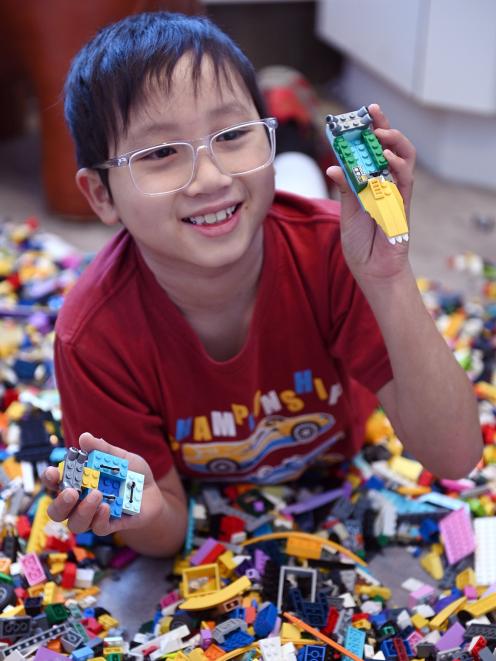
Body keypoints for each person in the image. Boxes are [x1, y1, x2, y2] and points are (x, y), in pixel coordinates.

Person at [42, 11, 482, 557]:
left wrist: (388, 276)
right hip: (260, 216)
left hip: (290, 215)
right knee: (263, 194)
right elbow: (167, 524)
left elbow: (457, 457)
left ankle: (288, 123)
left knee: (295, 185)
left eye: (232, 134)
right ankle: (283, 116)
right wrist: (146, 512)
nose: (209, 176)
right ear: (101, 196)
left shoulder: (331, 254)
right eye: (159, 154)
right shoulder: (91, 338)